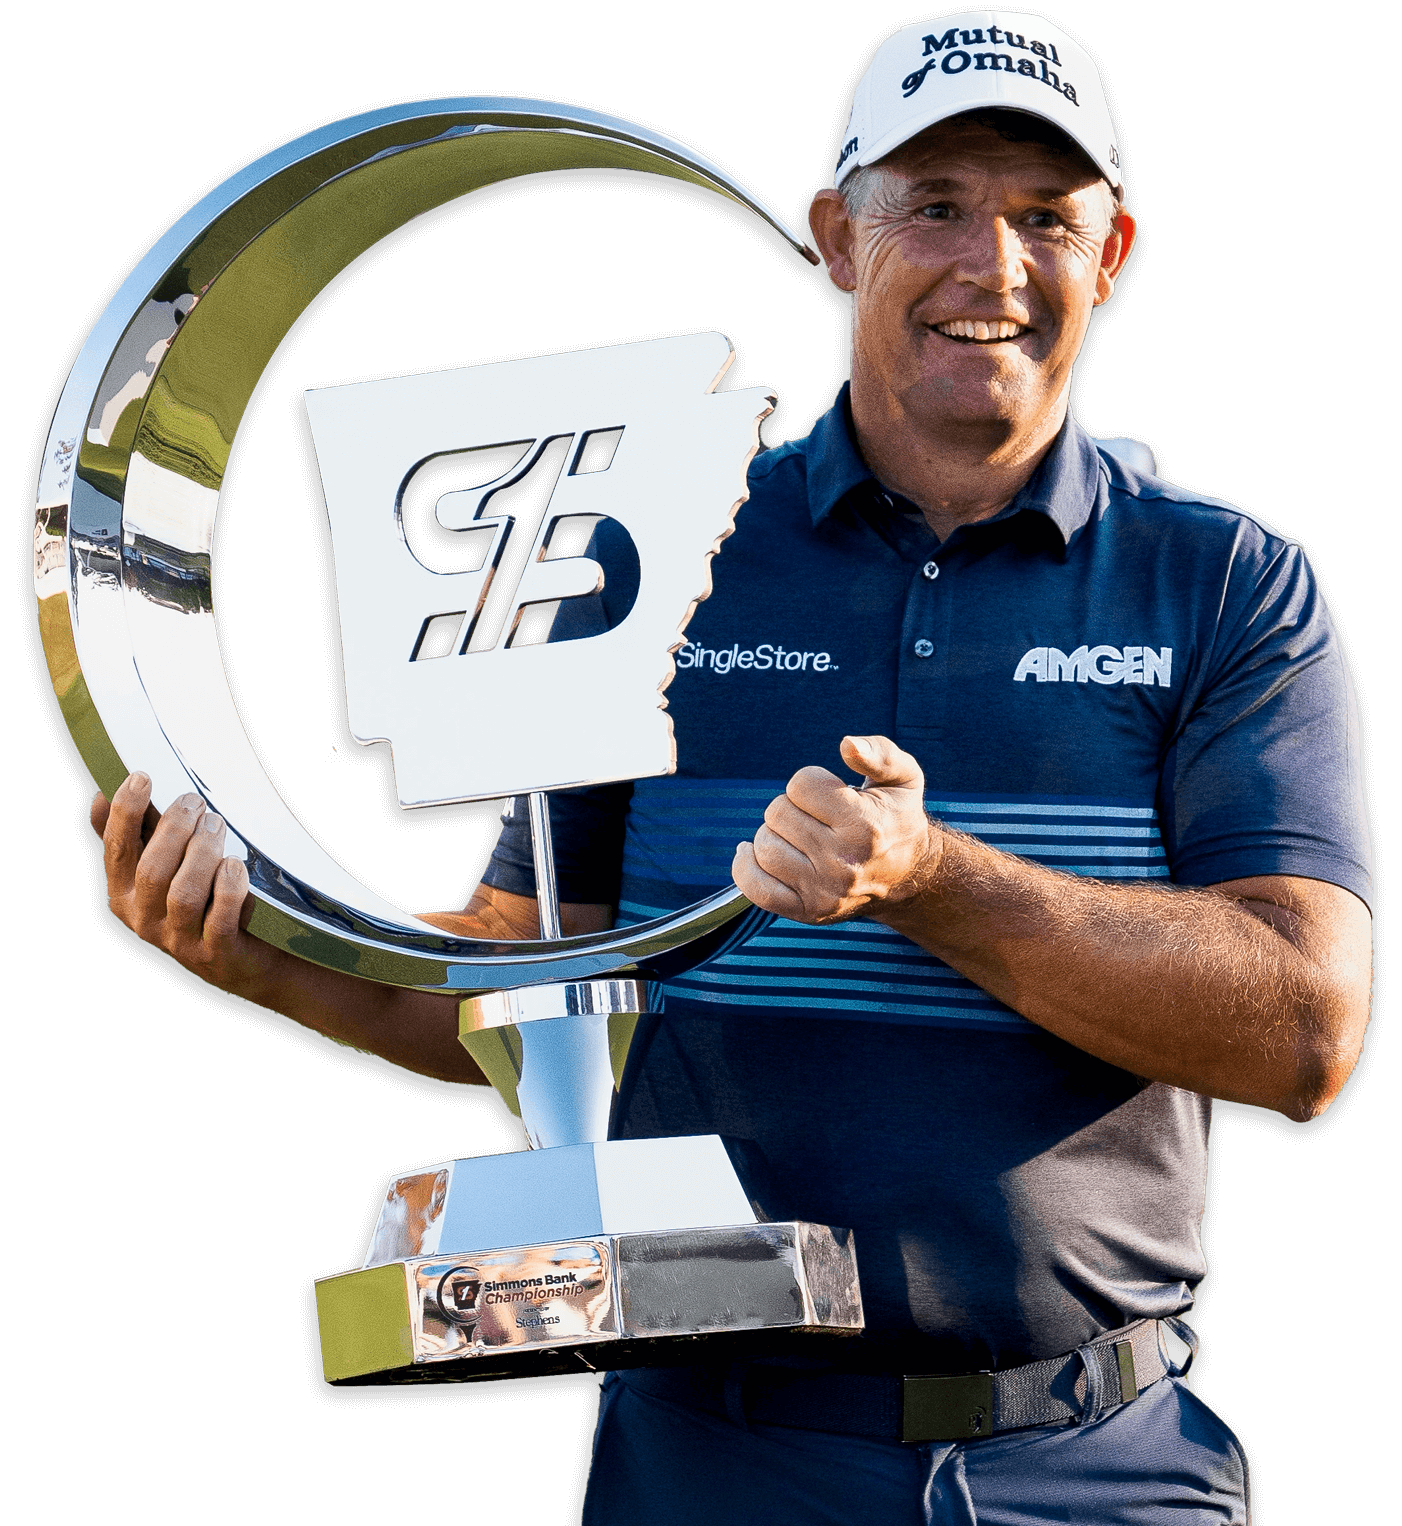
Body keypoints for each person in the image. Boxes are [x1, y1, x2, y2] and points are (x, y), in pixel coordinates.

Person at [90, 14, 1371, 1523]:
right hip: (716, 1458)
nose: (992, 266)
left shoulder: (1226, 583)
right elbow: (530, 991)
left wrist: (930, 877)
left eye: (1044, 216)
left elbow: (1300, 1028)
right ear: (835, 236)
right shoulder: (648, 541)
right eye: (936, 205)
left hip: (1098, 1460)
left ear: (1112, 253)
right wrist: (270, 954)